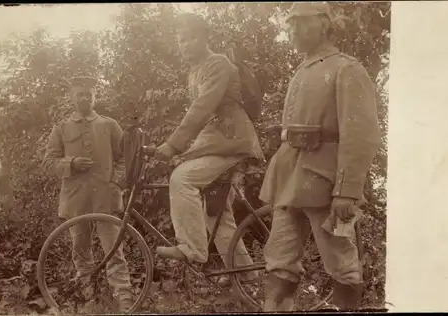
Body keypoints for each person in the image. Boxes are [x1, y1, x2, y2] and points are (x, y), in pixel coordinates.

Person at [259, 2, 382, 312]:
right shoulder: (302, 69)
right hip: (291, 181)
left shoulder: (346, 68)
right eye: (289, 24)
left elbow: (360, 135)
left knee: (342, 266)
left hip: (326, 183)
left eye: (301, 22)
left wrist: (347, 190)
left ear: (325, 24)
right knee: (279, 263)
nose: (293, 30)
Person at [153, 13, 264, 282]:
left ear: (204, 38)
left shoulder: (218, 64)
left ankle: (192, 248)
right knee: (216, 214)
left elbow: (202, 109)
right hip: (216, 140)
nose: (185, 44)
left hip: (231, 138)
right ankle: (248, 281)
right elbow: (202, 116)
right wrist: (179, 148)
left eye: (190, 38)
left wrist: (173, 144)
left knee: (182, 178)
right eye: (181, 40)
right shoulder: (194, 71)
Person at [42, 76, 133, 312]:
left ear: (95, 97)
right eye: (79, 94)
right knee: (81, 252)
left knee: (114, 250)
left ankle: (124, 297)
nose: (84, 97)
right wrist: (70, 163)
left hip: (105, 197)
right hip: (76, 200)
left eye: (88, 94)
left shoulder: (109, 125)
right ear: (72, 97)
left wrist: (116, 182)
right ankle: (88, 296)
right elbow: (47, 162)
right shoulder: (61, 128)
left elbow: (125, 159)